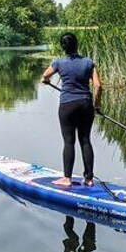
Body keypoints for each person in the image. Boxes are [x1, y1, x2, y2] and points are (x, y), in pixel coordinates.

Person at [41, 32, 102, 187]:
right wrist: (97, 105)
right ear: (77, 45)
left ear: (63, 47)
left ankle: (67, 178)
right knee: (85, 140)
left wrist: (45, 80)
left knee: (69, 142)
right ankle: (89, 179)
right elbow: (98, 86)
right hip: (86, 104)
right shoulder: (89, 63)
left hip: (67, 105)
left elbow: (45, 75)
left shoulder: (59, 63)